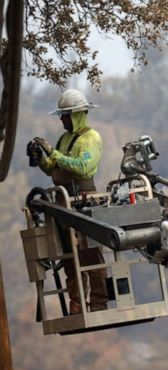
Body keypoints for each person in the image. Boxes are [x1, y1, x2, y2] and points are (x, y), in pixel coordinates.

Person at [28, 88, 108, 315]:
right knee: (68, 257)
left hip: (84, 202)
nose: (62, 119)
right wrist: (41, 158)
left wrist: (52, 152)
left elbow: (82, 167)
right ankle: (77, 306)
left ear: (77, 114)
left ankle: (99, 304)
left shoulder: (91, 138)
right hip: (63, 203)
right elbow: (54, 169)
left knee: (90, 254)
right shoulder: (65, 138)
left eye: (65, 115)